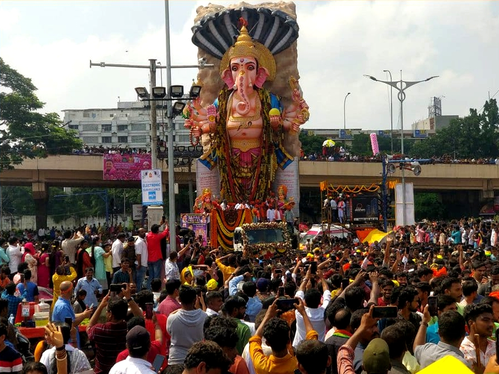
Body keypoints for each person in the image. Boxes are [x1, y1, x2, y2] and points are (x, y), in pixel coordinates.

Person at [184, 21, 308, 203]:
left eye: (249, 67)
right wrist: (204, 128)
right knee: (231, 195)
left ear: (260, 73)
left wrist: (276, 124)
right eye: (236, 68)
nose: (242, 73)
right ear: (228, 75)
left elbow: (283, 127)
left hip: (260, 157)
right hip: (230, 158)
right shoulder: (224, 100)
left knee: (260, 193)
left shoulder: (268, 99)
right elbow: (209, 123)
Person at [249, 298, 317, 374]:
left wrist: (267, 317)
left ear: (267, 343)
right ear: (288, 341)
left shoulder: (261, 365)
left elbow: (254, 340)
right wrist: (303, 313)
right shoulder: (299, 364)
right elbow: (312, 339)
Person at [87, 285, 142, 374]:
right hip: (124, 371)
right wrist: (129, 298)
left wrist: (100, 306)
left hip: (102, 371)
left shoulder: (99, 330)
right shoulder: (129, 329)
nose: (105, 312)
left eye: (107, 310)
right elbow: (140, 318)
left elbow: (88, 327)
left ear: (110, 314)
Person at [337, 306, 391, 374]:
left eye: (376, 325)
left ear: (363, 367)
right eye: (370, 327)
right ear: (389, 367)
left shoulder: (353, 355)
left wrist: (363, 326)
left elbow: (343, 354)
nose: (376, 330)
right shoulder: (357, 357)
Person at [166, 285, 208, 367]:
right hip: (196, 360)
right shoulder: (204, 317)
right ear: (195, 299)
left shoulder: (172, 318)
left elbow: (169, 332)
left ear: (179, 299)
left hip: (176, 360)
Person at [52, 281, 93, 348]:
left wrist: (83, 313)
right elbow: (71, 324)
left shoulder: (64, 302)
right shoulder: (63, 306)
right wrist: (84, 316)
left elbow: (72, 316)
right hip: (68, 343)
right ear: (70, 290)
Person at [459, 303, 495, 369]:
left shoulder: (496, 347)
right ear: (471, 323)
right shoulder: (461, 349)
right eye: (486, 320)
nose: (491, 324)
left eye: (492, 321)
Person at [147, 221, 169, 290]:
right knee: (156, 276)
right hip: (157, 259)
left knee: (151, 276)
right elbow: (165, 232)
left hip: (149, 259)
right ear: (157, 230)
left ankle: (149, 289)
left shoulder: (148, 236)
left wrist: (160, 224)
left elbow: (153, 230)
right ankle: (155, 290)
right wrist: (166, 225)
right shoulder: (158, 236)